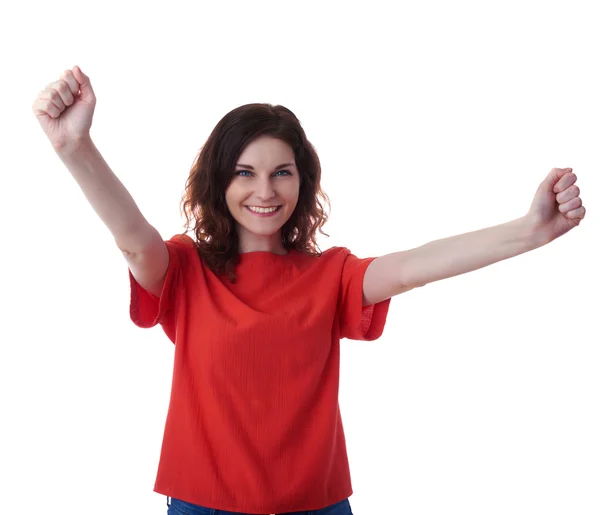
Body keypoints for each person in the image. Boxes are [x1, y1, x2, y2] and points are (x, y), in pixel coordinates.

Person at [32, 66, 586, 515]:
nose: (265, 191)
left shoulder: (332, 277)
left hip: (316, 507)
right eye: (245, 173)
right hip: (204, 505)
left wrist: (531, 231)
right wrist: (74, 146)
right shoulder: (185, 270)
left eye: (282, 172)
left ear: (303, 181)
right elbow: (133, 241)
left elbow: (418, 265)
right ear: (219, 180)